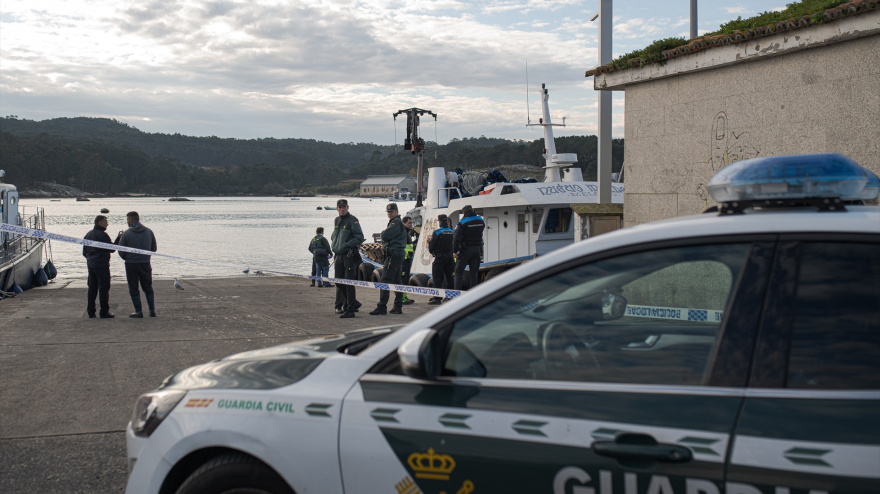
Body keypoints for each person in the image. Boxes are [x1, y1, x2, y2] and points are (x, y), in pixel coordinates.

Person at [115, 211, 157, 318]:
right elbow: (154, 248)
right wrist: (146, 256)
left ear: (130, 220)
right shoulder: (149, 232)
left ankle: (139, 311)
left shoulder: (126, 234)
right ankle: (152, 311)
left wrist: (127, 257)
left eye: (127, 220)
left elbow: (120, 250)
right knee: (147, 287)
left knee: (133, 288)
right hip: (145, 263)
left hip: (131, 264)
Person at [370, 203, 407, 315]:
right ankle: (398, 306)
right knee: (397, 281)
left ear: (397, 211)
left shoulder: (396, 223)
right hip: (397, 255)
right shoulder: (396, 223)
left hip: (393, 255)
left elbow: (385, 235)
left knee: (385, 280)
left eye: (391, 211)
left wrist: (383, 233)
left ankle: (382, 306)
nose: (389, 213)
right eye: (388, 212)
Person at [331, 199, 364, 318]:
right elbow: (335, 236)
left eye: (343, 207)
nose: (342, 209)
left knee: (349, 283)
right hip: (338, 255)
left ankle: (350, 309)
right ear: (337, 208)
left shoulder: (353, 220)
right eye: (339, 207)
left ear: (347, 207)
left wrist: (347, 244)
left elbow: (359, 237)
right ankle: (354, 303)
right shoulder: (337, 220)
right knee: (338, 282)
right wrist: (334, 245)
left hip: (349, 256)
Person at [83, 215, 116, 318]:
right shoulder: (103, 235)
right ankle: (104, 311)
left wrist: (90, 260)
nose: (107, 224)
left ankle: (91, 312)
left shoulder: (88, 234)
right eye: (105, 222)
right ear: (100, 223)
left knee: (92, 288)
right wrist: (119, 239)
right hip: (102, 265)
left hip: (91, 265)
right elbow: (112, 249)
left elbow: (84, 252)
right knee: (104, 288)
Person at [453, 204, 485, 290]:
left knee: (458, 272)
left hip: (466, 250)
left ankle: (457, 294)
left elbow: (456, 238)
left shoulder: (462, 222)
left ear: (464, 212)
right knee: (474, 273)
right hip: (477, 250)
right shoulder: (481, 220)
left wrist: (455, 251)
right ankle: (473, 294)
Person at [427, 214, 455, 305]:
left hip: (440, 257)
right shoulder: (452, 231)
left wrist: (433, 252)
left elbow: (431, 246)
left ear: (440, 221)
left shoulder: (438, 232)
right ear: (446, 221)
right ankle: (449, 296)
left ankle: (437, 298)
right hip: (450, 257)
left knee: (437, 277)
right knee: (449, 277)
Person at [400, 215, 416, 305]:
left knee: (405, 279)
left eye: (412, 223)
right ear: (404, 223)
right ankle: (402, 298)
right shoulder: (403, 233)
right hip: (403, 260)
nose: (411, 224)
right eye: (409, 223)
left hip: (407, 260)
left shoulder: (407, 233)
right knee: (402, 279)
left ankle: (404, 296)